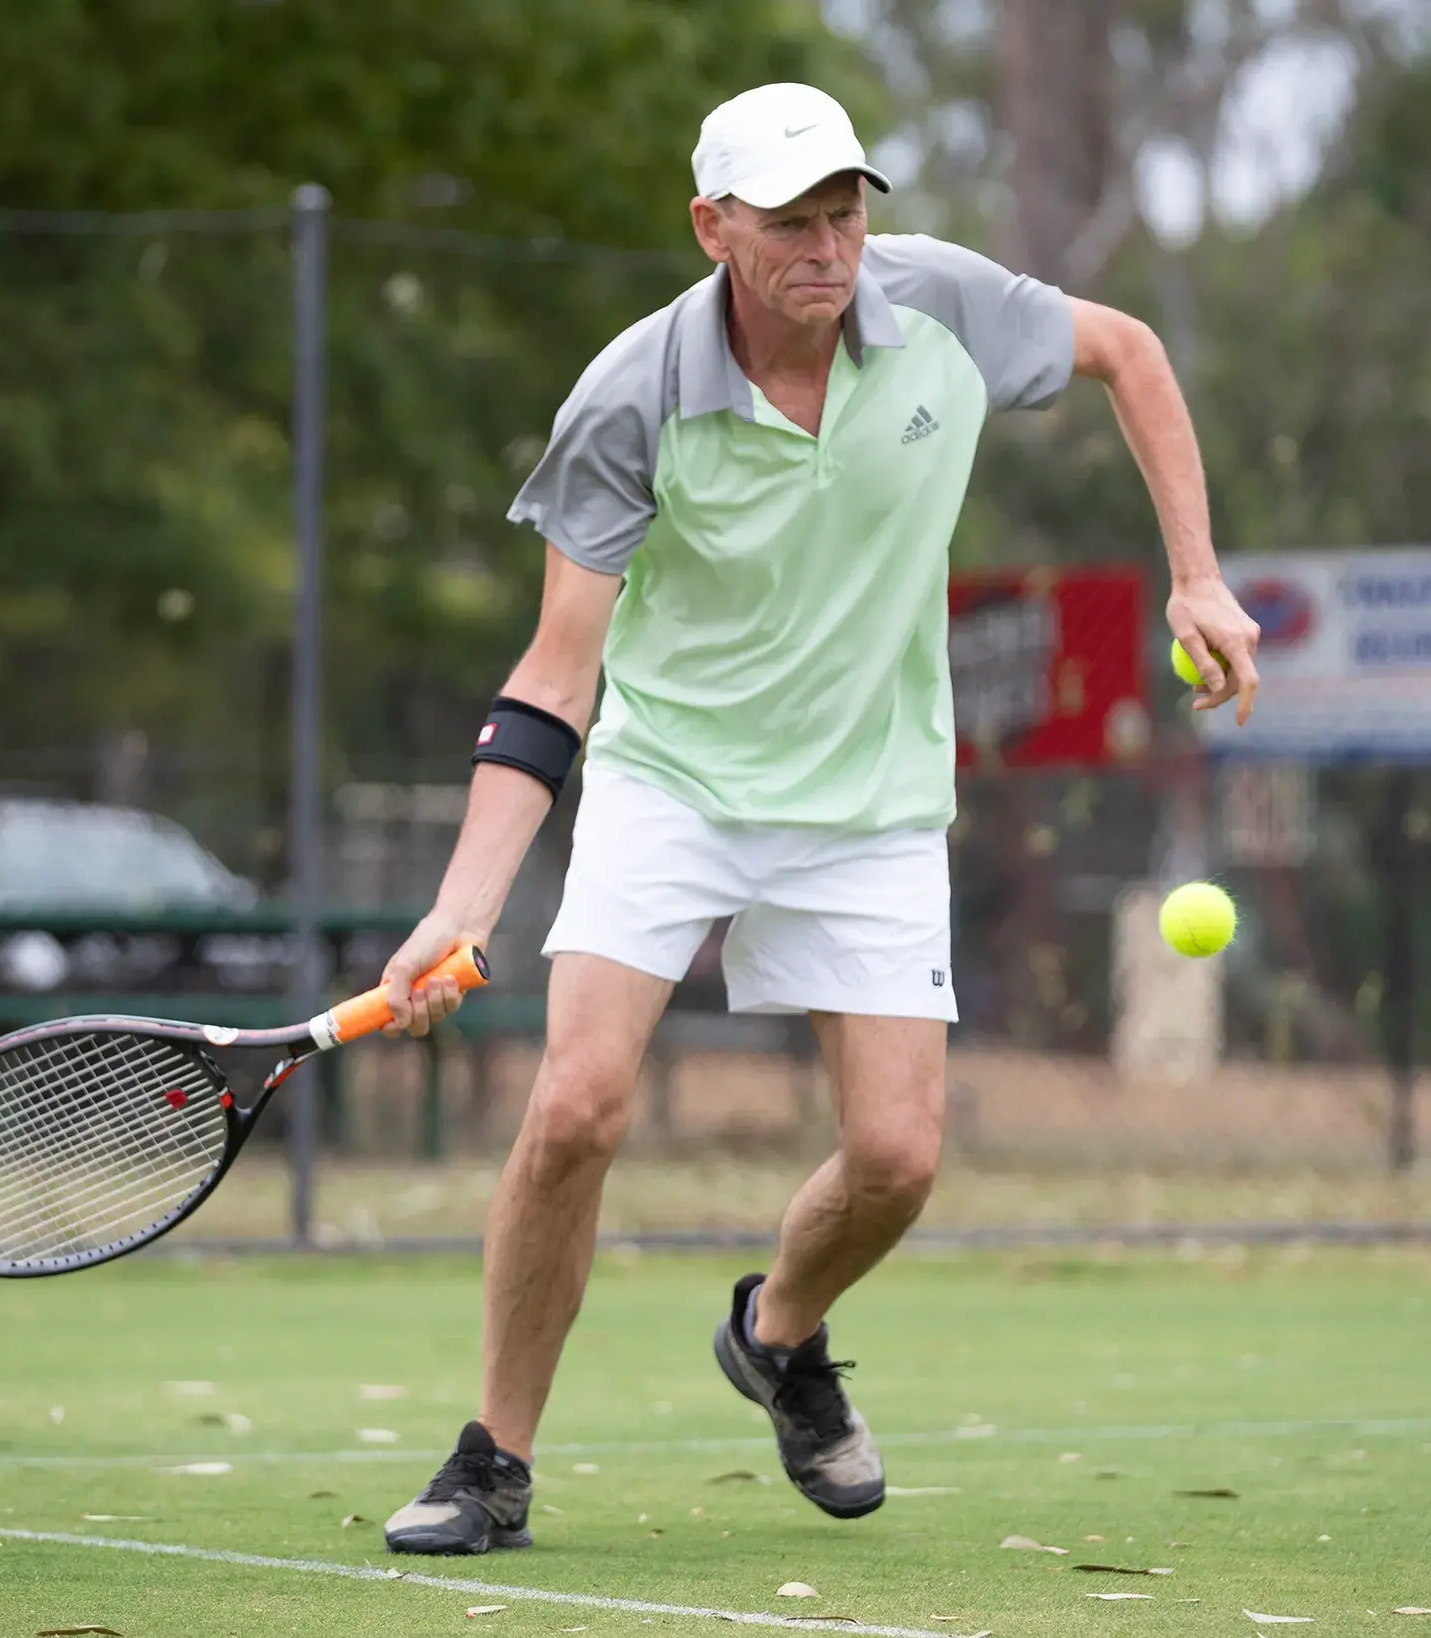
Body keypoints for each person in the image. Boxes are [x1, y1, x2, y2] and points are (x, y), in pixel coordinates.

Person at [376, 82, 1261, 1555]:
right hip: (674, 779)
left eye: (846, 213)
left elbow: (1131, 352)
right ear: (712, 228)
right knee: (576, 1108)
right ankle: (493, 1460)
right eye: (791, 222)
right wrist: (462, 909)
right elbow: (554, 679)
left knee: (899, 1159)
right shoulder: (631, 396)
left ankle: (778, 1334)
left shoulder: (942, 310)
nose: (829, 247)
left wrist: (1197, 576)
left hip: (872, 796)